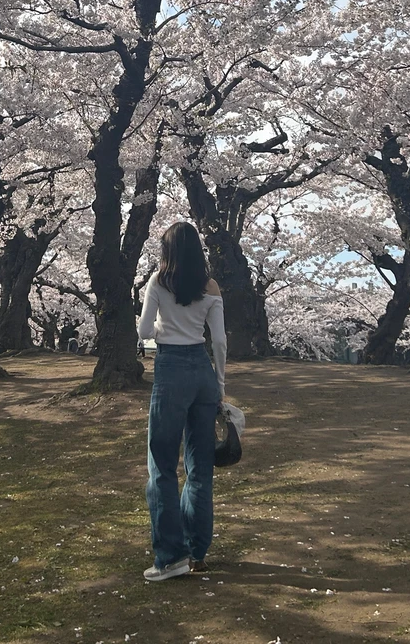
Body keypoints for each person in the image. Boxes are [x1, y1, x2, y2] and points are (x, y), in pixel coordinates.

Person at [137, 221, 227, 582]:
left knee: (161, 465)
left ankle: (170, 557)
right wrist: (220, 384)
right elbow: (218, 341)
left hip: (171, 369)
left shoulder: (159, 282)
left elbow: (144, 332)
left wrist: (165, 327)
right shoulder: (211, 286)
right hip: (203, 371)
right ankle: (197, 552)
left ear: (168, 250)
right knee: (200, 466)